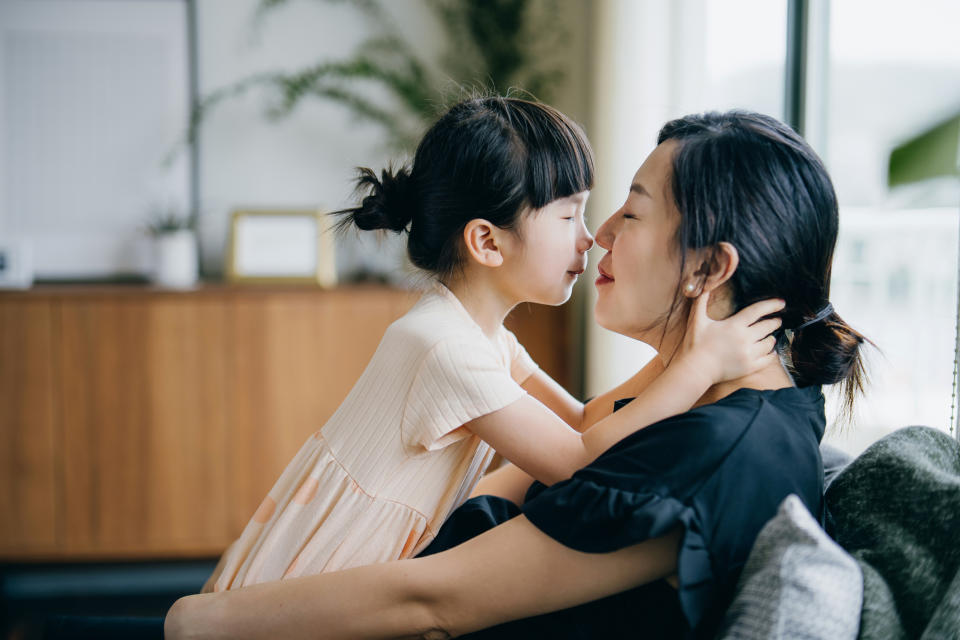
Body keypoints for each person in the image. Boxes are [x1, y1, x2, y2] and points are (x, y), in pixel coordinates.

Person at [163, 109, 869, 640]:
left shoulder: (712, 445)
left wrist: (201, 621)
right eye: (580, 213)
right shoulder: (745, 398)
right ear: (486, 241)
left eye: (631, 210)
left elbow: (432, 600)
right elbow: (585, 434)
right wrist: (688, 366)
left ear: (710, 268)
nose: (601, 236)